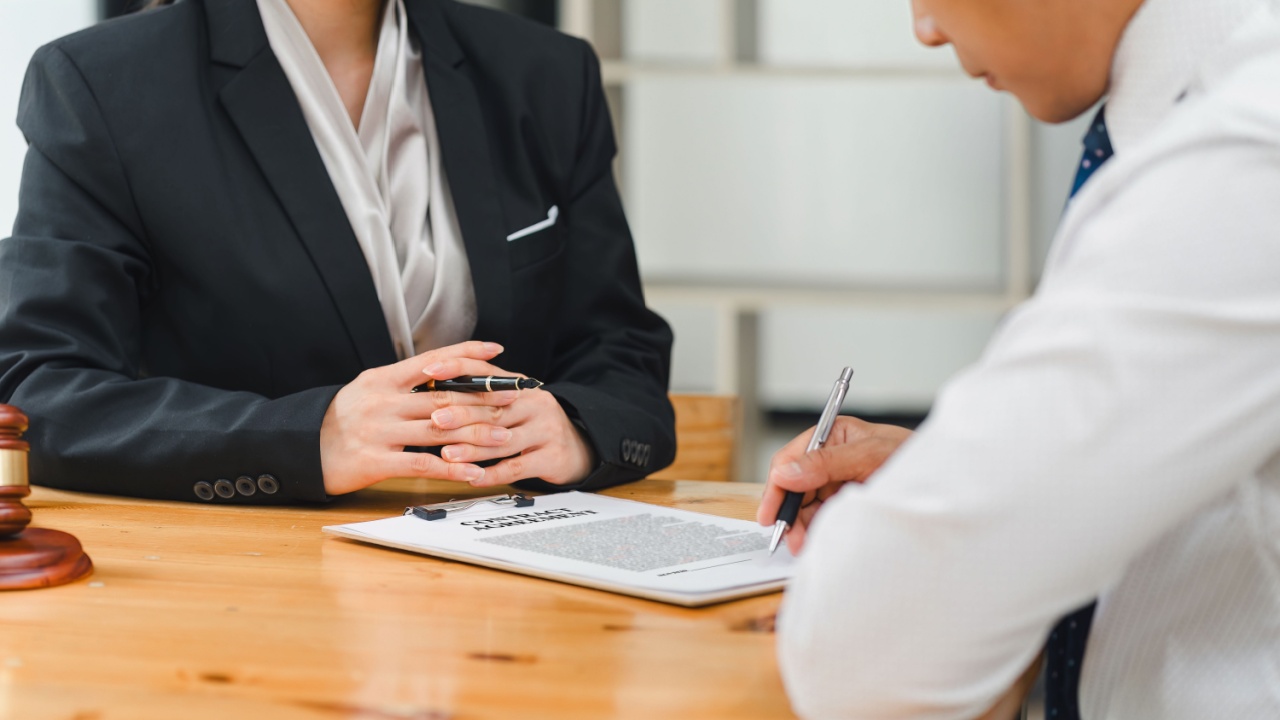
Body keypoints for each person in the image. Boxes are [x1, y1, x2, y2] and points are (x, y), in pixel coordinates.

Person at [758, 0, 1280, 717]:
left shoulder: (1244, 159)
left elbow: (868, 650)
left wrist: (929, 524)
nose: (926, 29)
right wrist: (951, 480)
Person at [0, 0, 675, 505]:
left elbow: (621, 351)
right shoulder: (101, 85)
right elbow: (39, 392)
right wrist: (310, 436)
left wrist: (575, 428)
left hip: (516, 579)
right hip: (239, 588)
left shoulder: (547, 74)